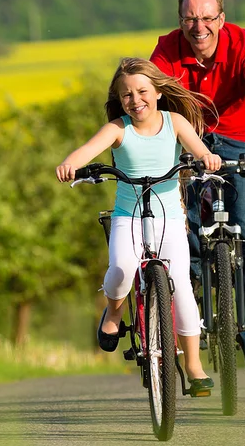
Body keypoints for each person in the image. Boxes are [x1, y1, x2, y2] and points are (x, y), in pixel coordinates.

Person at [148, 0, 245, 396]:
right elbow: (147, 102)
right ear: (180, 20)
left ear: (221, 19)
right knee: (181, 238)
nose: (199, 26)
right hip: (189, 142)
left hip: (242, 142)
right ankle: (188, 321)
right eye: (190, 18)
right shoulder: (167, 50)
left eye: (207, 17)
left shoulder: (243, 42)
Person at [56, 57, 222, 396]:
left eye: (142, 91)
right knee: (121, 268)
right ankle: (113, 312)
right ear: (120, 100)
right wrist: (70, 164)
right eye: (127, 95)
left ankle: (193, 365)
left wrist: (208, 158)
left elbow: (200, 150)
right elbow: (87, 151)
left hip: (169, 219)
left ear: (158, 92)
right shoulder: (118, 128)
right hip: (128, 217)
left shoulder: (175, 122)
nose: (135, 100)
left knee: (181, 286)